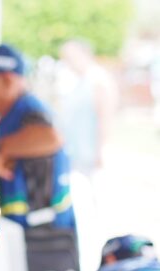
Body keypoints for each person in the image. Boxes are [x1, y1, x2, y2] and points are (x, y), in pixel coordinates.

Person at [0, 44, 79, 271]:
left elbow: (50, 137)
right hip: (29, 238)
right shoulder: (11, 115)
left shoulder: (29, 109)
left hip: (48, 242)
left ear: (7, 79)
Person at [57, 39, 118, 176]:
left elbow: (105, 117)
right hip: (76, 153)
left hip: (92, 154)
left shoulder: (98, 79)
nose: (68, 62)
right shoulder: (77, 81)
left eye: (70, 57)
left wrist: (101, 150)